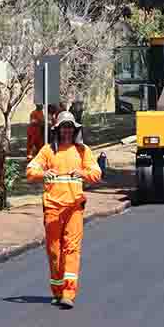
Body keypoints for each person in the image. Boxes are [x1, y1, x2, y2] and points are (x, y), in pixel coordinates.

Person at [26, 111, 103, 309]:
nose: (67, 130)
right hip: (52, 208)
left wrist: (83, 173)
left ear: (74, 130)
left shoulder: (82, 150)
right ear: (58, 130)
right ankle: (57, 290)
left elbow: (96, 173)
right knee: (54, 251)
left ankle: (68, 293)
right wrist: (43, 174)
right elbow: (30, 171)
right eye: (64, 127)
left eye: (70, 127)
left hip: (75, 207)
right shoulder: (48, 151)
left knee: (72, 248)